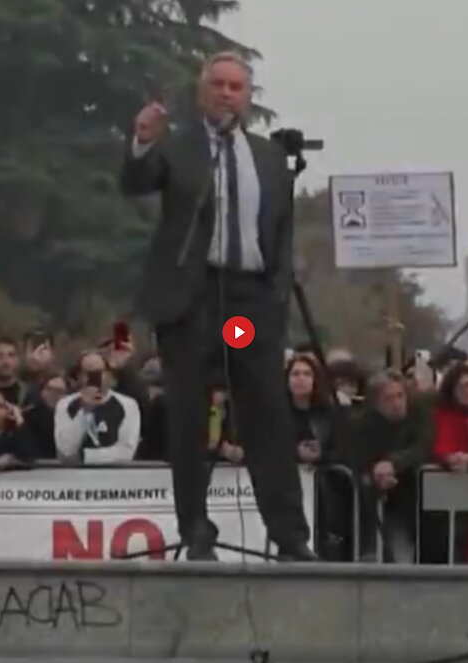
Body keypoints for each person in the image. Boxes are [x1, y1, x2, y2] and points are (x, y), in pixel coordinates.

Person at [118, 51, 313, 561]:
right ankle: (196, 528)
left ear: (247, 97)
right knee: (189, 412)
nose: (227, 94)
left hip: (245, 309)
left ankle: (290, 535)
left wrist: (275, 296)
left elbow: (280, 230)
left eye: (236, 87)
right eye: (218, 85)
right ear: (202, 93)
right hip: (194, 299)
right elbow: (136, 182)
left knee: (265, 409)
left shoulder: (268, 157)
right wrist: (142, 140)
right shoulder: (179, 149)